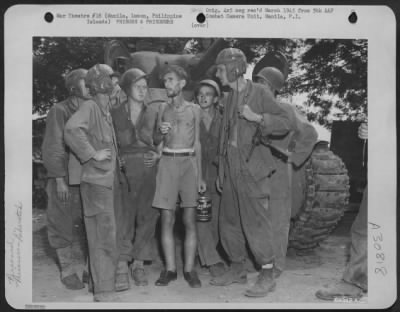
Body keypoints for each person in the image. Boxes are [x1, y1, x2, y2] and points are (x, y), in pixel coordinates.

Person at [210, 48, 292, 298]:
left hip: (252, 169)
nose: (218, 74)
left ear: (234, 69)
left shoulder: (260, 92)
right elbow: (223, 138)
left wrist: (257, 117)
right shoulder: (228, 97)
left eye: (221, 69)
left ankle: (267, 273)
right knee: (229, 222)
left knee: (256, 223)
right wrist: (221, 172)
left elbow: (284, 122)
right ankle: (237, 267)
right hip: (231, 168)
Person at [254, 66, 318, 278]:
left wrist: (294, 157)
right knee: (257, 218)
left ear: (272, 88)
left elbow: (309, 133)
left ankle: (277, 266)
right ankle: (260, 263)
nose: (258, 86)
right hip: (256, 168)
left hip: (278, 168)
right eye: (256, 81)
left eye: (262, 82)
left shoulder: (285, 109)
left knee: (278, 219)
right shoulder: (252, 108)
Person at [64, 64, 121, 302]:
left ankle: (99, 284)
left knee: (104, 234)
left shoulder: (104, 110)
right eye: (113, 81)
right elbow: (71, 129)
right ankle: (104, 291)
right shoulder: (90, 107)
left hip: (105, 182)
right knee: (102, 236)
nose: (117, 85)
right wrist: (91, 153)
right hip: (96, 183)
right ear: (103, 85)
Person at [152, 65, 206, 288]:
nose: (167, 84)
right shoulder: (161, 109)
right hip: (167, 163)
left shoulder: (194, 110)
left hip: (188, 164)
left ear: (182, 84)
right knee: (167, 218)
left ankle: (189, 270)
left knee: (189, 220)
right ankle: (170, 269)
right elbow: (156, 141)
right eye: (165, 81)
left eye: (171, 80)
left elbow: (197, 144)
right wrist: (160, 133)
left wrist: (200, 177)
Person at [110, 68, 161, 290]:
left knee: (147, 215)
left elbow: (161, 139)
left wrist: (157, 154)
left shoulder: (154, 112)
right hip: (123, 168)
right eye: (137, 87)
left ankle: (138, 264)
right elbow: (108, 140)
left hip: (149, 168)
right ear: (127, 89)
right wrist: (116, 158)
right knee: (123, 216)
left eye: (144, 87)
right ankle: (122, 264)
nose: (142, 90)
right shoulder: (114, 113)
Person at [41, 68, 90, 290]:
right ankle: (67, 270)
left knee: (92, 221)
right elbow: (53, 146)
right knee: (61, 222)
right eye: (85, 81)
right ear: (73, 87)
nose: (90, 84)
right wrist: (59, 178)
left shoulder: (94, 109)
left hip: (89, 176)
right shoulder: (59, 110)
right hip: (65, 176)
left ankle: (91, 269)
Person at [315, 121, 368, 300]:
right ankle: (355, 281)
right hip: (384, 170)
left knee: (365, 229)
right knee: (364, 228)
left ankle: (354, 283)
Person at [195, 79, 226, 277]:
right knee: (202, 216)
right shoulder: (191, 116)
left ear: (215, 99)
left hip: (218, 170)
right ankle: (212, 259)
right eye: (200, 94)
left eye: (208, 94)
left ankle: (207, 253)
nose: (203, 97)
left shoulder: (223, 119)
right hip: (197, 171)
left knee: (217, 218)